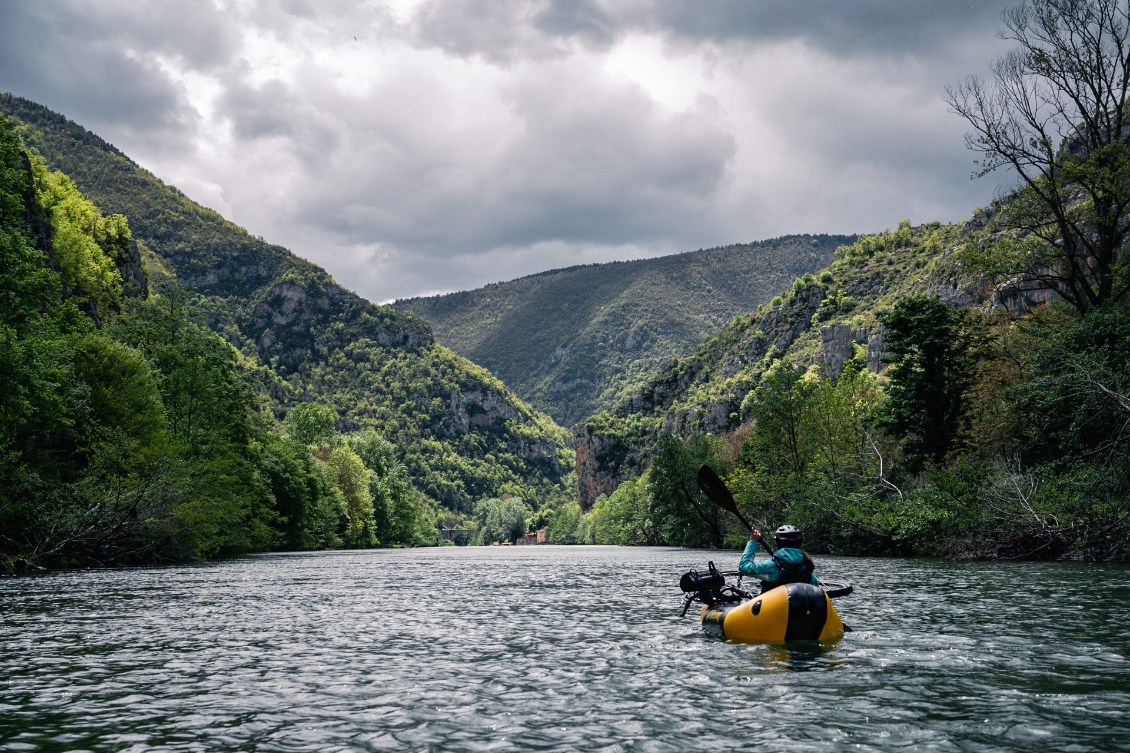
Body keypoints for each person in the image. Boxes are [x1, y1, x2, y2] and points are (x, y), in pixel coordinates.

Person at [738, 524, 819, 593]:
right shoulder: (808, 566)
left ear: (778, 542)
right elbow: (816, 588)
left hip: (773, 608)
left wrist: (753, 541)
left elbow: (743, 566)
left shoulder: (771, 565)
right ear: (799, 543)